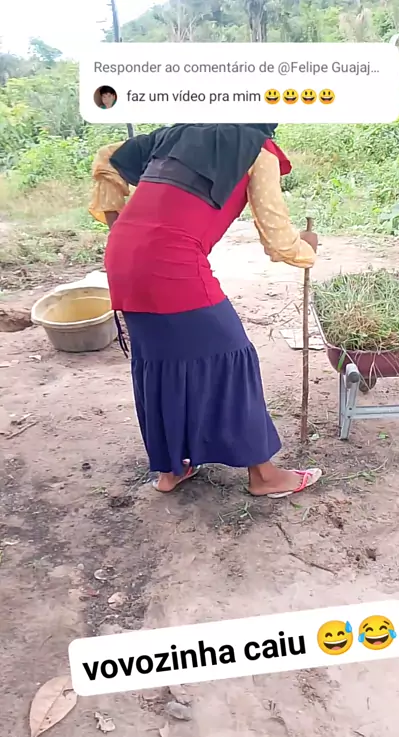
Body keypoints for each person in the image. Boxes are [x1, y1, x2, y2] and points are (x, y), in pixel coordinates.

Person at [89, 123, 320, 498]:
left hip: (122, 259)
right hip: (173, 264)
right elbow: (278, 238)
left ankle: (171, 469)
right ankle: (264, 476)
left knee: (160, 362)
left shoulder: (174, 134)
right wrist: (306, 248)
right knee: (231, 359)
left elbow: (107, 157)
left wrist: (121, 229)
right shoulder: (256, 149)